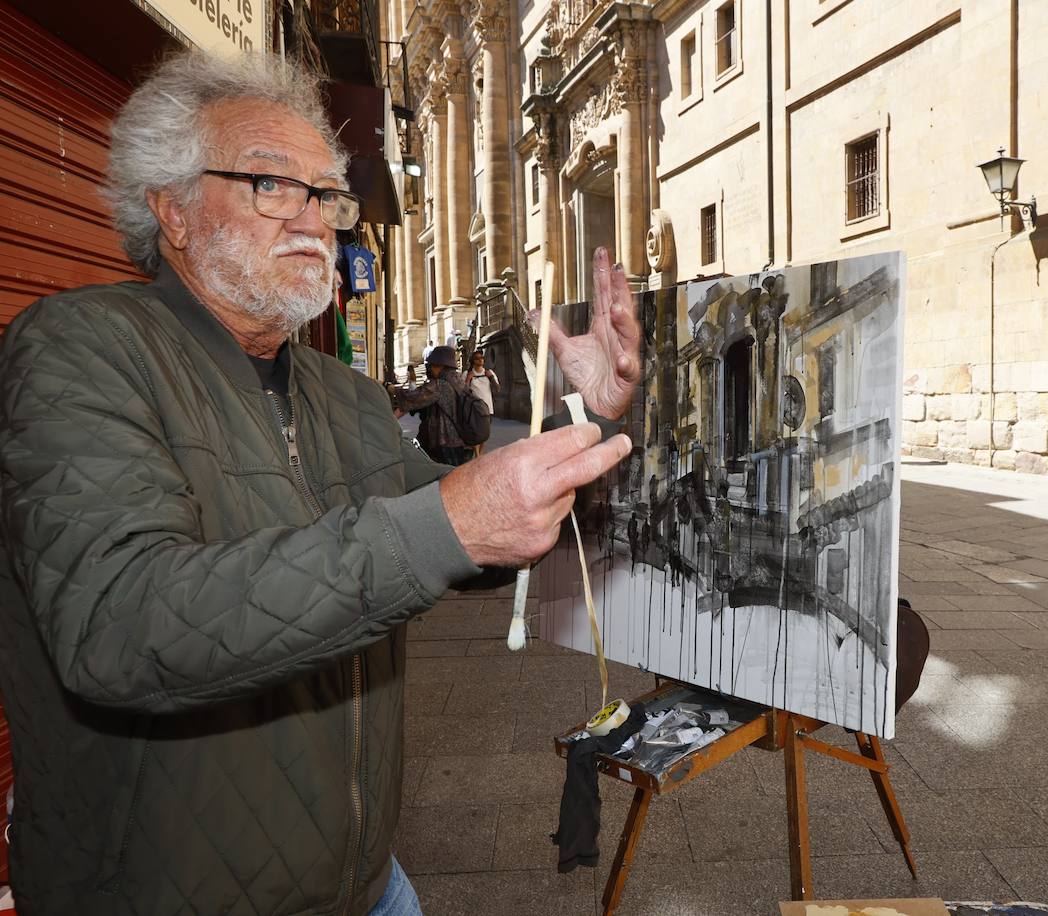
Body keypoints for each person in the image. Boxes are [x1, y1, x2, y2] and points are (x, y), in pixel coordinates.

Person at [0, 49, 641, 916]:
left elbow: (471, 526)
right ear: (172, 211)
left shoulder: (341, 391)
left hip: (369, 884)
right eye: (272, 185)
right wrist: (444, 526)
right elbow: (120, 623)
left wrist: (583, 421)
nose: (315, 220)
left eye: (328, 194)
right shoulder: (79, 349)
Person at [391, 344, 472, 465]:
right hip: (462, 440)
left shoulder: (440, 385)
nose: (429, 368)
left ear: (440, 366)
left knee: (446, 477)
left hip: (446, 442)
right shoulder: (458, 380)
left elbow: (415, 397)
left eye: (432, 365)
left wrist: (391, 388)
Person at [464, 350, 500, 456]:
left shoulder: (489, 373)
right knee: (476, 432)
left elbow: (497, 389)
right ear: (473, 361)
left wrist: (491, 377)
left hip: (488, 408)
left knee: (484, 434)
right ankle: (477, 455)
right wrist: (467, 379)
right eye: (477, 358)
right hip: (474, 408)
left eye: (482, 358)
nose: (480, 360)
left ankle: (480, 453)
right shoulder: (467, 374)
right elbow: (463, 391)